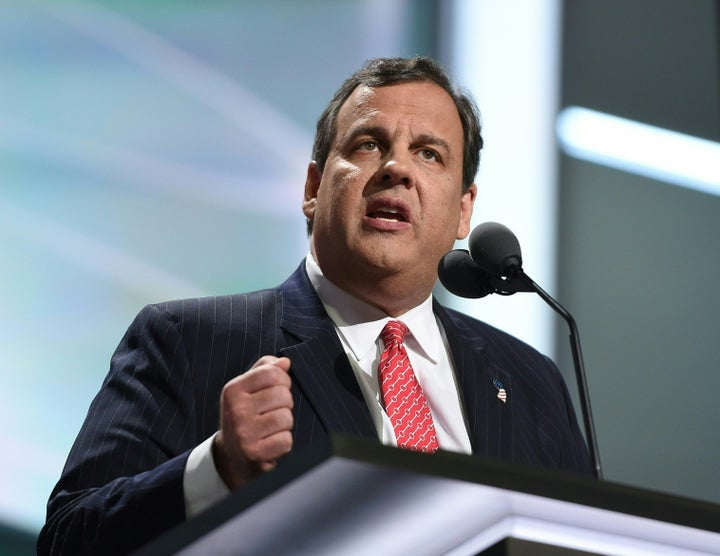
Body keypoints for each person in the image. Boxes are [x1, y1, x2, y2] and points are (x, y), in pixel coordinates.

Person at [38, 56, 591, 555]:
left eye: (428, 153)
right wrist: (218, 468)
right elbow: (69, 540)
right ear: (314, 185)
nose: (397, 169)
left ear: (463, 211)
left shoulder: (531, 383)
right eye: (369, 143)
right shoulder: (188, 339)